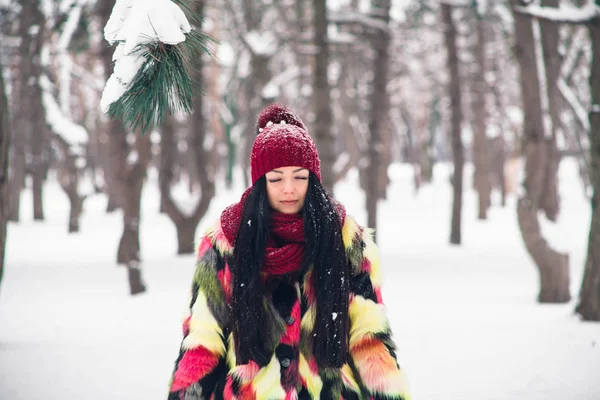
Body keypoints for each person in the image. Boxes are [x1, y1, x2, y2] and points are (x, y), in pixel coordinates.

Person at [167, 104, 410, 400]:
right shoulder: (226, 243)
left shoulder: (346, 240)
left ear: (313, 177)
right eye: (276, 178)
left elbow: (369, 338)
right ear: (260, 181)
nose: (289, 189)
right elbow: (203, 340)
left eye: (299, 176)